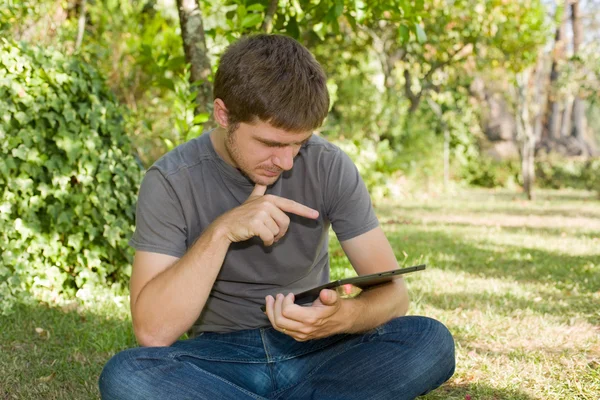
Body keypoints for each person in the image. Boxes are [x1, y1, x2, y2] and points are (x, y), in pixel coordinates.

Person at [99, 34, 455, 400]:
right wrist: (222, 230)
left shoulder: (328, 165)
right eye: (271, 144)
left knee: (430, 339)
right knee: (127, 375)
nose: (286, 162)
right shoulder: (171, 179)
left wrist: (343, 318)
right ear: (224, 115)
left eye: (298, 144)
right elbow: (153, 332)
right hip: (221, 358)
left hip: (316, 348)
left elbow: (395, 295)